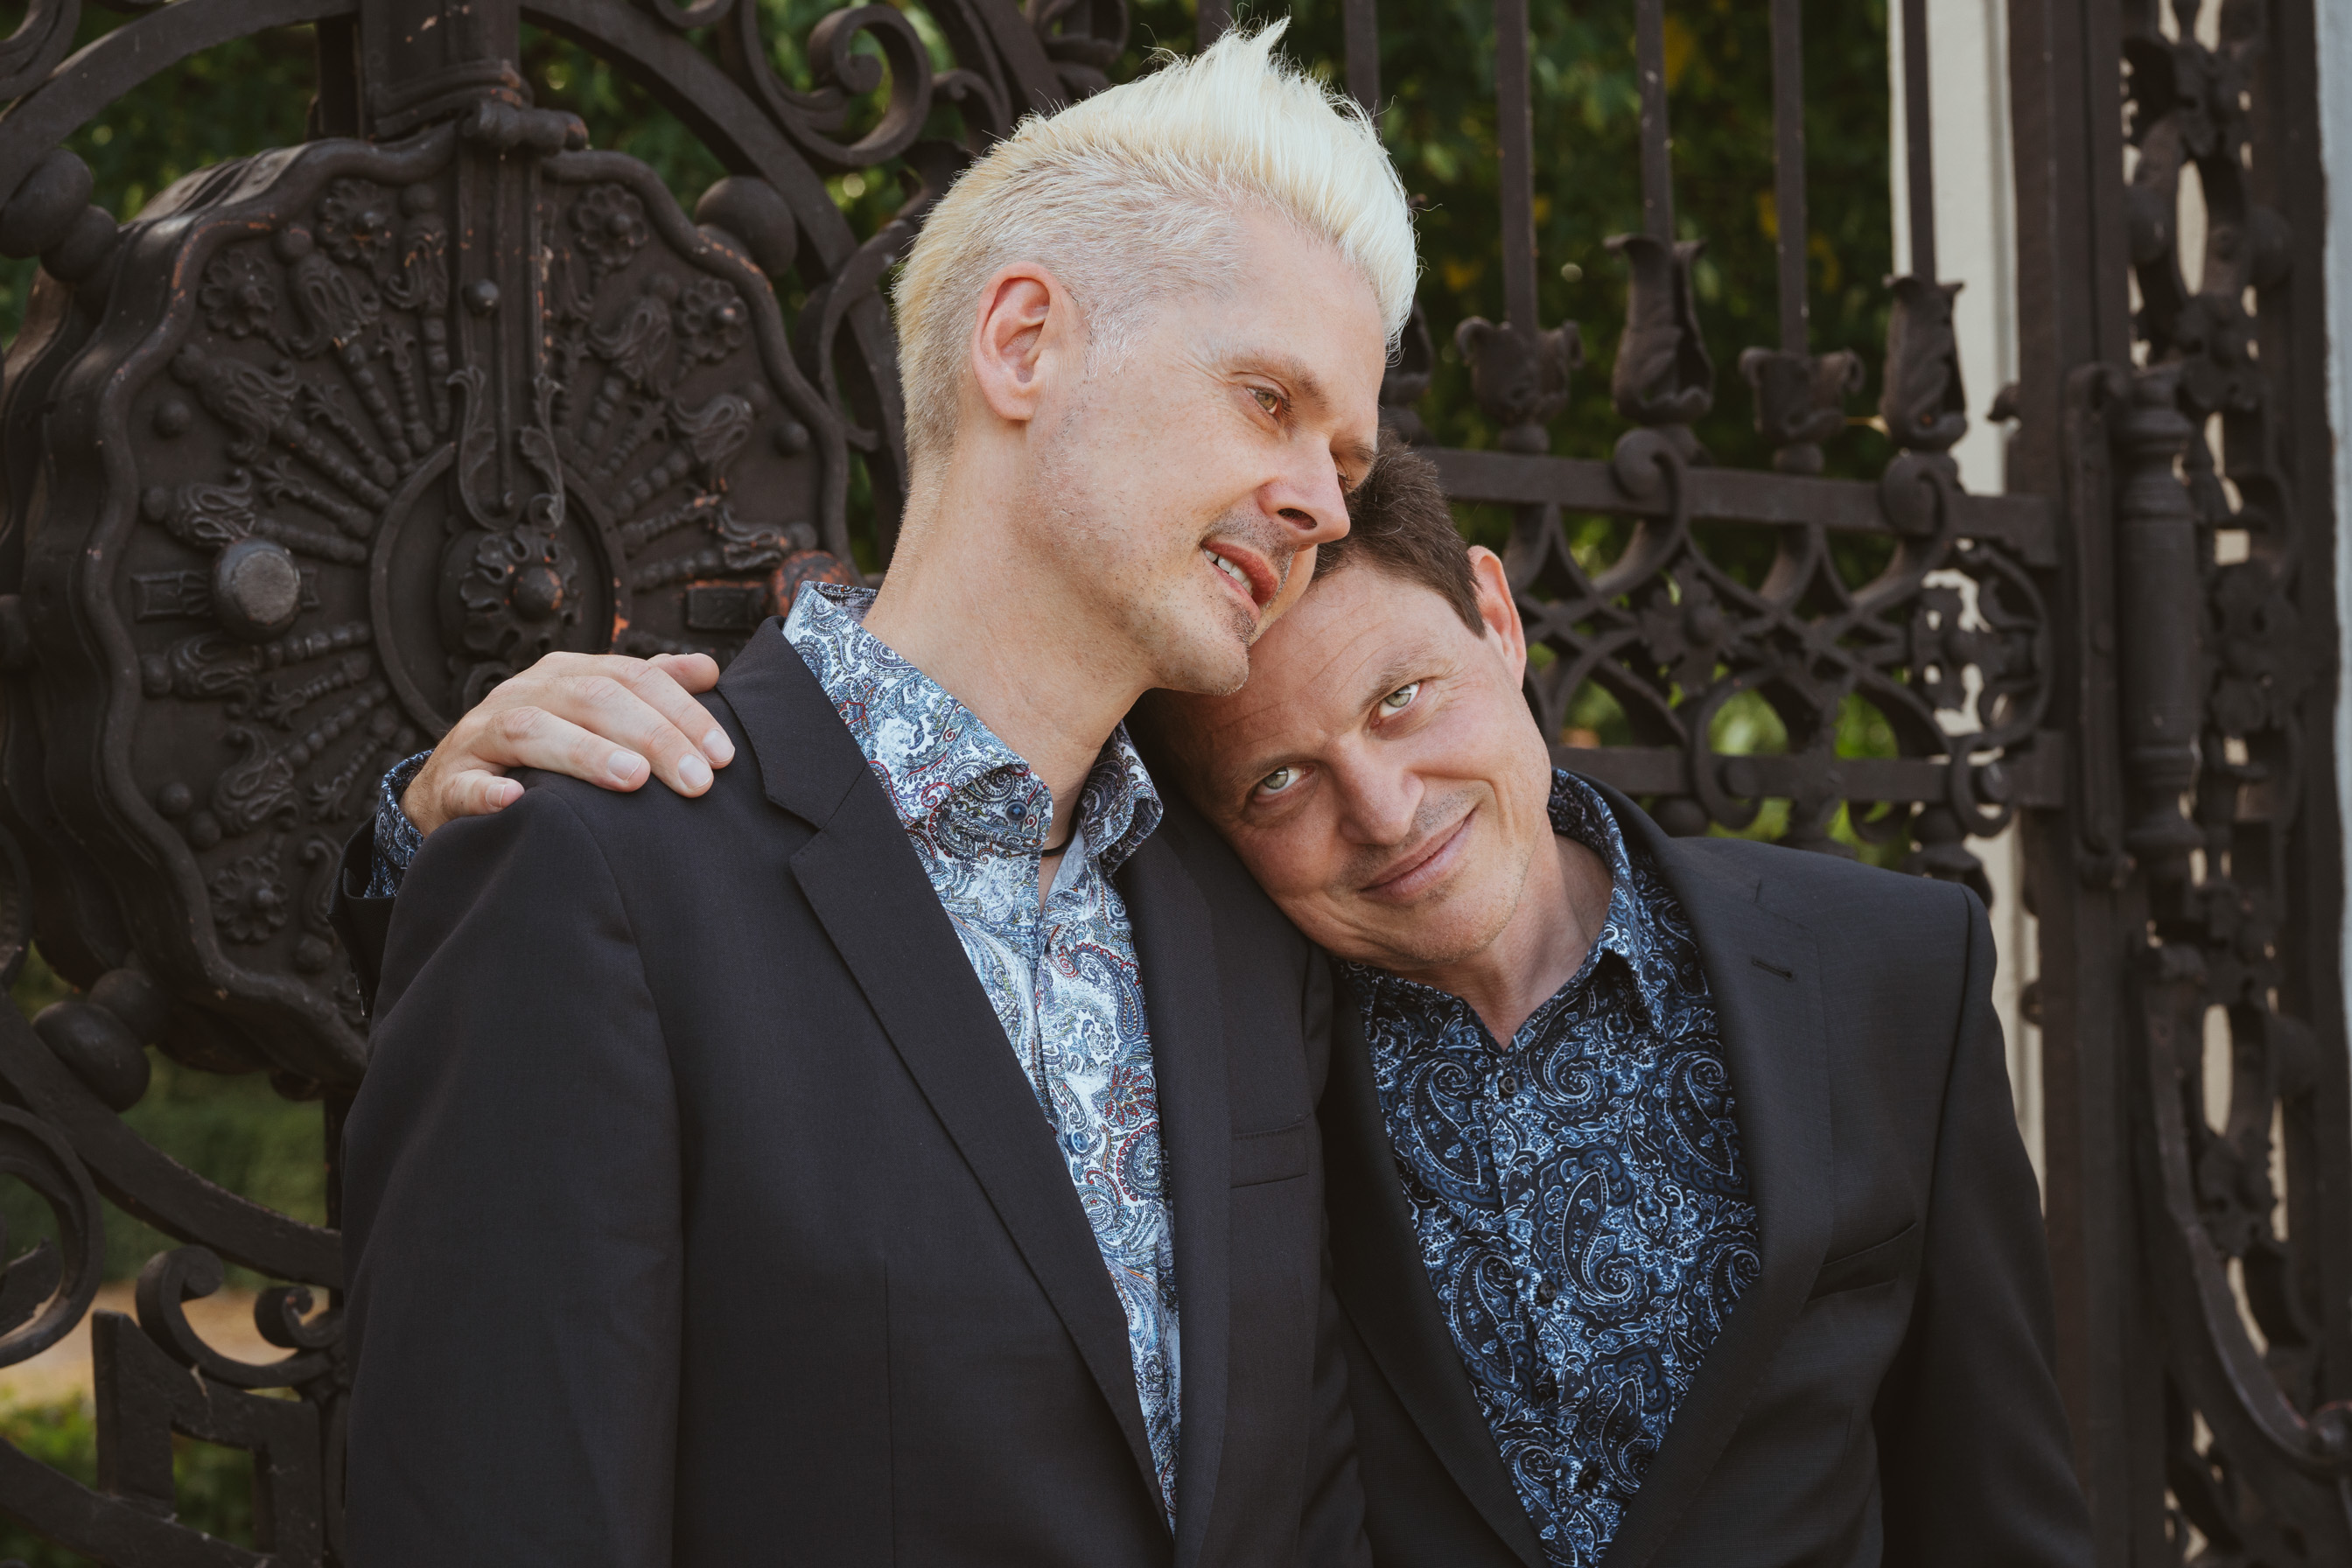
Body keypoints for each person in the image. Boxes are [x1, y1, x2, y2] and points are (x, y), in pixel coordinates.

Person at [366, 448, 2094, 1567]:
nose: (1384, 801)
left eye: (1407, 696)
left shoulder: (1890, 970)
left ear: (1493, 613)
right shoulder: (1227, 1009)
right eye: (1277, 780)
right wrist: (436, 815)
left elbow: (2003, 1508)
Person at [334, 25, 1410, 1566]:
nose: (1321, 500)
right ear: (1023, 341)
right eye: (1266, 400)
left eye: (1348, 459)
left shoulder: (1244, 929)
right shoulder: (592, 871)